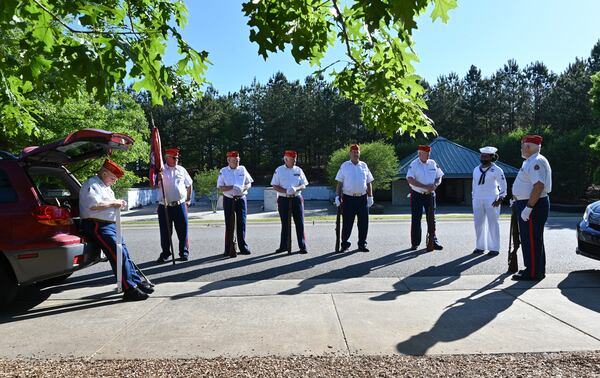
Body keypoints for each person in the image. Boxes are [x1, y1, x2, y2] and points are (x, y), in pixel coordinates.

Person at [79, 159, 153, 301]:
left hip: (111, 225)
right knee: (118, 255)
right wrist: (115, 202)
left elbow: (108, 203)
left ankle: (135, 282)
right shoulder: (92, 184)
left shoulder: (104, 186)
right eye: (112, 178)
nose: (114, 181)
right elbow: (94, 205)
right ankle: (129, 289)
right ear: (104, 173)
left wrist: (117, 203)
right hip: (98, 225)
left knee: (124, 253)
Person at [511, 135, 552, 281]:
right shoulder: (530, 161)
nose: (521, 148)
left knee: (532, 240)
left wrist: (528, 208)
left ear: (528, 146)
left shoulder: (536, 161)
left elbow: (539, 186)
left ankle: (534, 272)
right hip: (528, 204)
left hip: (533, 205)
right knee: (529, 239)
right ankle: (533, 268)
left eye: (522, 145)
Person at [334, 144, 374, 253]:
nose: (356, 154)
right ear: (350, 154)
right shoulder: (345, 166)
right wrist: (337, 196)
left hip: (362, 198)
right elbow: (339, 183)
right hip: (348, 198)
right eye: (353, 152)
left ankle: (362, 244)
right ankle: (345, 244)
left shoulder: (364, 165)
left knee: (363, 223)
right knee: (347, 223)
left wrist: (370, 196)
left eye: (357, 152)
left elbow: (369, 182)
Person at [155, 148, 193, 263]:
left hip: (179, 205)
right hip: (164, 205)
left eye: (177, 158)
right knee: (165, 232)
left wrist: (188, 199)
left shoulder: (181, 170)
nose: (177, 159)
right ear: (167, 158)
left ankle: (184, 253)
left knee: (183, 230)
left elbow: (189, 184)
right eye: (174, 157)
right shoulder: (160, 170)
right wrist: (158, 177)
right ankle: (165, 253)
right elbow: (155, 185)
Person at [406, 144, 444, 251]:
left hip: (430, 195)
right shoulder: (414, 164)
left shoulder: (433, 163)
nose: (427, 155)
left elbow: (439, 177)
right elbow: (410, 179)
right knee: (416, 219)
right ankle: (415, 243)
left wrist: (435, 185)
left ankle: (433, 240)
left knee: (432, 219)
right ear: (419, 154)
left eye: (428, 153)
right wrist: (424, 186)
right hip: (417, 194)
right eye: (425, 153)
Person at [271, 150, 309, 254]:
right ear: (286, 159)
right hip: (284, 199)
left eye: (295, 159)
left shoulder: (298, 170)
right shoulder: (279, 170)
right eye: (293, 159)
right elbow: (274, 185)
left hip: (296, 198)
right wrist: (286, 191)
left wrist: (296, 188)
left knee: (299, 223)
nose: (295, 161)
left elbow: (304, 184)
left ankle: (302, 246)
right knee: (285, 224)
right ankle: (284, 246)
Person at [471, 146, 507, 256]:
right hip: (477, 199)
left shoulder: (497, 170)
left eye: (486, 156)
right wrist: (473, 197)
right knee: (478, 224)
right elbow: (474, 185)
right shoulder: (476, 169)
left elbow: (503, 185)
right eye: (482, 156)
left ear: (492, 157)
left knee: (493, 224)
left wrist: (500, 198)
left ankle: (494, 248)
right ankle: (480, 246)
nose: (483, 158)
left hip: (492, 199)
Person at [217, 151, 254, 257]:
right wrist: (232, 187)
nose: (237, 162)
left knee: (242, 223)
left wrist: (243, 188)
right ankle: (228, 248)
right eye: (235, 160)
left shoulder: (242, 169)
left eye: (238, 160)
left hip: (241, 198)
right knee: (229, 224)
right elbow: (220, 187)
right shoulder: (223, 171)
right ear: (229, 160)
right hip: (229, 199)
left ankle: (243, 247)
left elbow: (249, 183)